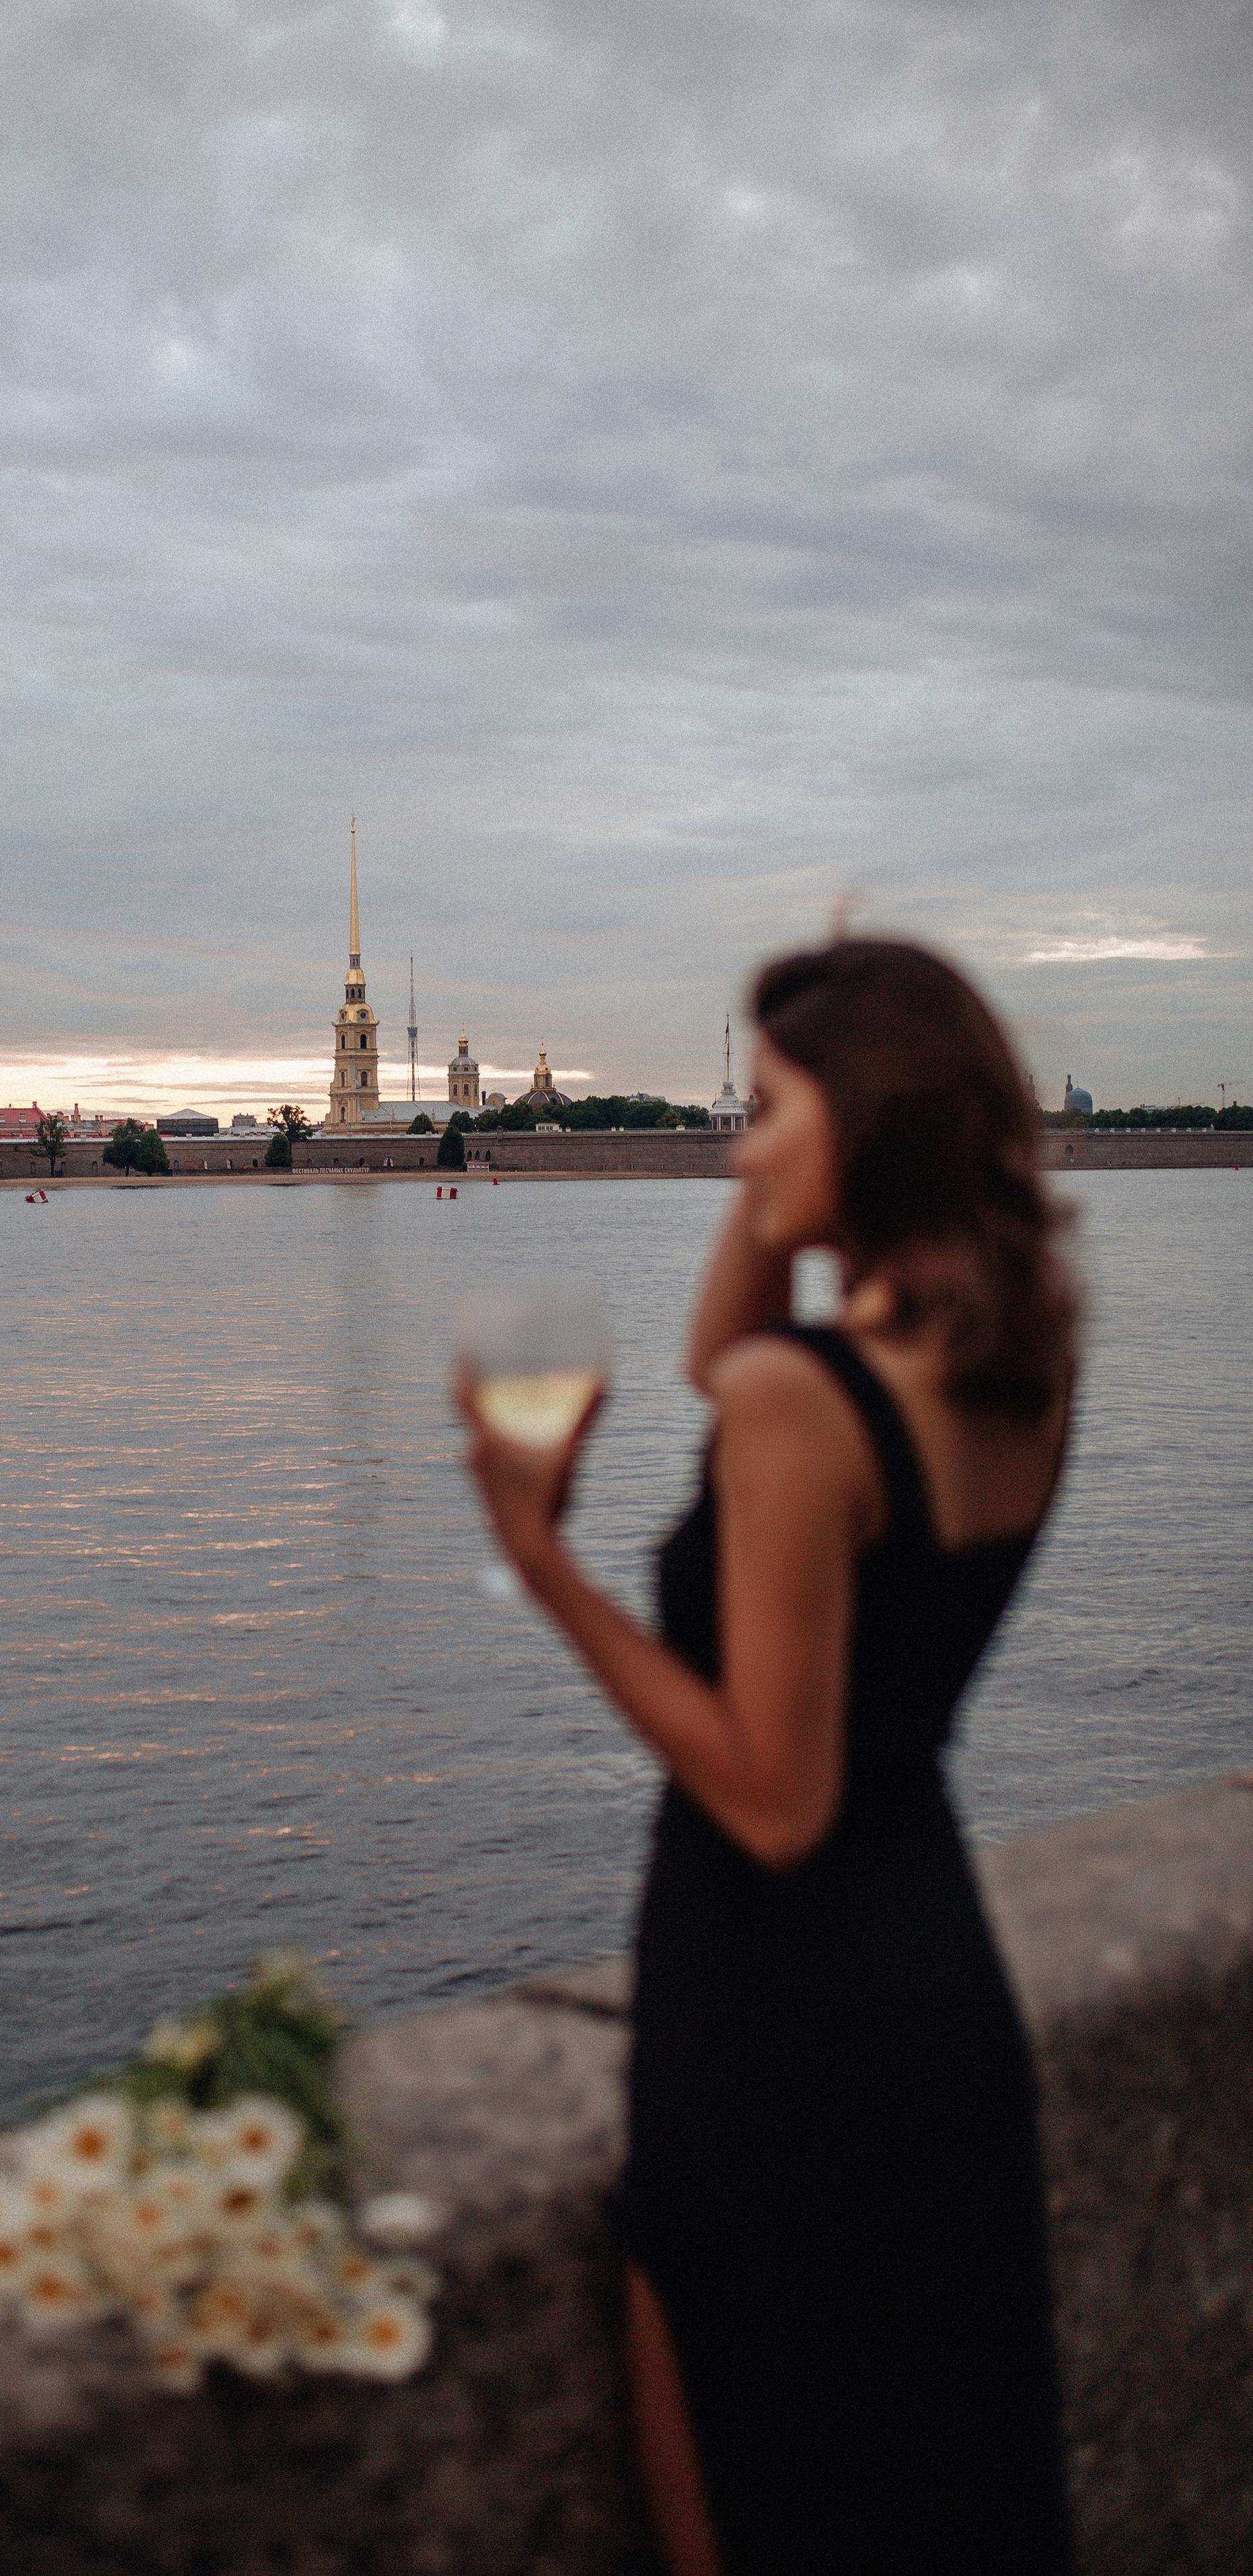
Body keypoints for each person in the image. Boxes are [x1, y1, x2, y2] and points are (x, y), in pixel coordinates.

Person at [459, 939, 1078, 2575]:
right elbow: (716, 1365)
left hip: (777, 2018)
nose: (735, 1147)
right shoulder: (1018, 1368)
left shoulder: (800, 1406)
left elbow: (770, 1794)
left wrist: (544, 1564)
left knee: (759, 2506)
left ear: (862, 1121)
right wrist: (809, 1125)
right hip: (936, 1997)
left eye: (763, 1113)